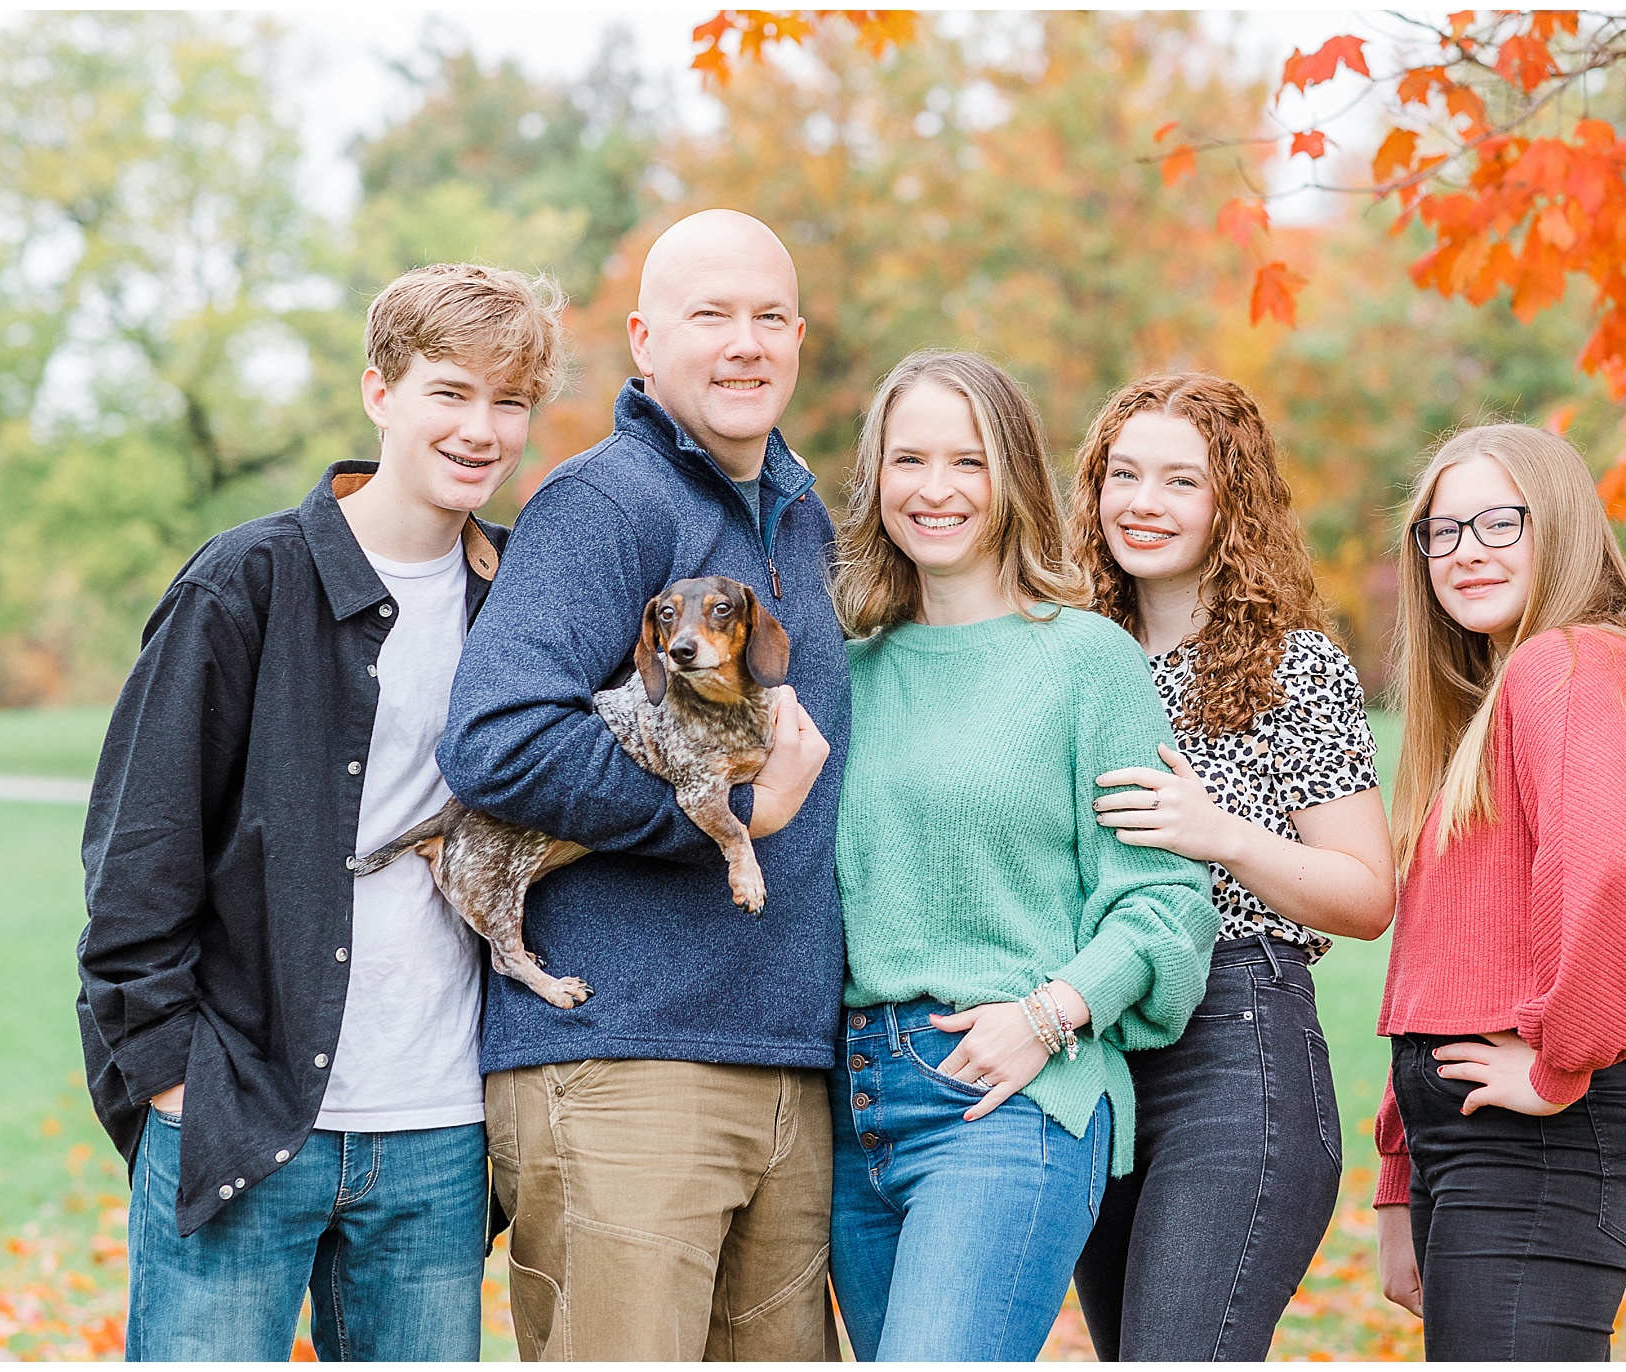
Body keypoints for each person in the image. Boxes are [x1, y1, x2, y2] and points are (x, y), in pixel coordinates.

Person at [76, 263, 565, 1360]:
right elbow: (137, 844)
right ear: (379, 392)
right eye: (450, 391)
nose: (480, 428)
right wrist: (168, 1072)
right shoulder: (244, 581)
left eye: (509, 401)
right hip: (244, 1103)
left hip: (440, 1129)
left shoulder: (521, 598)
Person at [435, 209, 845, 1362]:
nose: (744, 342)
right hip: (620, 1067)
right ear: (643, 339)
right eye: (709, 315)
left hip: (784, 1064)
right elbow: (498, 737)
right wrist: (720, 821)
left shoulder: (804, 524)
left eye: (768, 316)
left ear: (800, 339)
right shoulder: (605, 501)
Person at [826, 350, 1220, 1362]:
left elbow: (1165, 899)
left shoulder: (1087, 660)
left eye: (967, 459)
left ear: (1013, 478)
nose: (935, 488)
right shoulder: (845, 669)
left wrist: (1048, 1015)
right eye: (908, 459)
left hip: (1008, 1097)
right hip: (850, 1108)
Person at [1063, 374, 1396, 1359]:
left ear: (1229, 502)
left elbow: (1367, 894)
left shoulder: (1293, 665)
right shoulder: (1074, 657)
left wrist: (1225, 836)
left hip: (1234, 1047)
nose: (1141, 503)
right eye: (1122, 475)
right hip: (1100, 1053)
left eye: (1177, 480)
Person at [1371, 423, 1626, 1359]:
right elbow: (1439, 961)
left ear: (1557, 526)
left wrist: (1562, 1063)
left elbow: (1604, 871)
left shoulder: (1568, 663)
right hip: (1480, 1146)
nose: (1464, 551)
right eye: (1441, 531)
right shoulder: (1495, 706)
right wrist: (1404, 1177)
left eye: (1497, 522)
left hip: (1551, 1136)